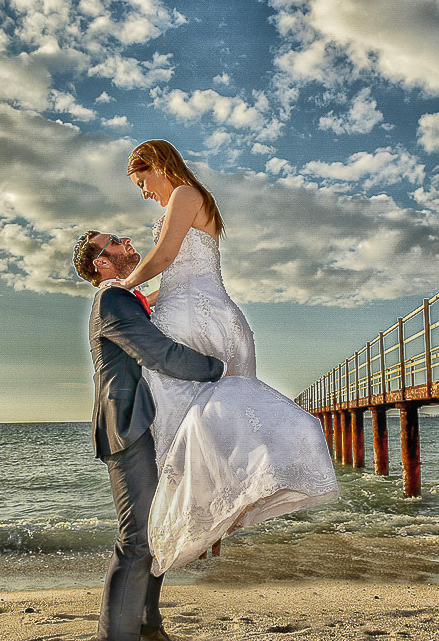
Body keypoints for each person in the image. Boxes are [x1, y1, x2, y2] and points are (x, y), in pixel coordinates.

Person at [121, 140, 339, 575]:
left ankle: (198, 528)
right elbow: (185, 273)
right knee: (210, 429)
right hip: (209, 311)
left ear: (157, 165)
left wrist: (122, 285)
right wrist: (148, 296)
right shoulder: (195, 200)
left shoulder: (184, 194)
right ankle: (210, 527)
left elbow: (164, 257)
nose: (144, 193)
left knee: (188, 421)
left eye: (142, 181)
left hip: (198, 321)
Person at [73, 230, 225, 641]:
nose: (125, 241)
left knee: (158, 530)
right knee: (138, 537)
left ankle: (145, 627)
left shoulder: (132, 297)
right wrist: (220, 369)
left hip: (151, 423)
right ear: (101, 263)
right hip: (128, 426)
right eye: (113, 242)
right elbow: (159, 354)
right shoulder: (112, 300)